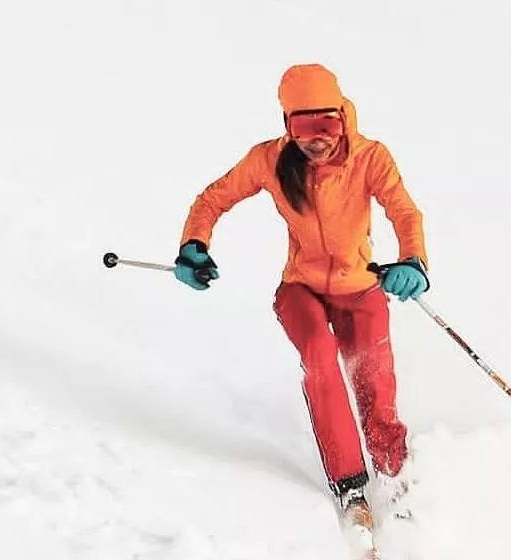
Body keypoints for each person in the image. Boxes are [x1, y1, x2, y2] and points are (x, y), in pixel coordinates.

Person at [175, 63, 427, 517]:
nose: (317, 138)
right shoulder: (270, 160)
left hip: (360, 285)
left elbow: (405, 213)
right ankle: (350, 482)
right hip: (301, 288)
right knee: (319, 353)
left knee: (374, 374)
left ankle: (392, 471)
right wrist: (194, 245)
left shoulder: (370, 158)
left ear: (343, 118)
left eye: (326, 124)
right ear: (287, 125)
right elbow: (213, 199)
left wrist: (413, 260)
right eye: (303, 126)